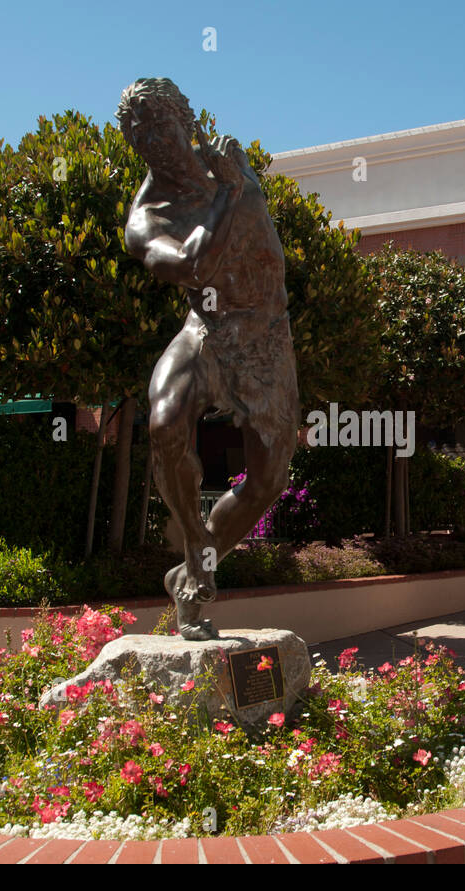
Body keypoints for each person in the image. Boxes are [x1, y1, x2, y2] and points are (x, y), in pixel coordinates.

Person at [119, 78, 299, 640]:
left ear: (186, 120)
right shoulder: (146, 218)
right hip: (208, 328)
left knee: (268, 480)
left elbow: (270, 261)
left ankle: (200, 563)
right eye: (137, 133)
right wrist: (226, 197)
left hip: (267, 338)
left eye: (158, 124)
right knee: (164, 421)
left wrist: (234, 187)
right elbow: (190, 269)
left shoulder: (233, 167)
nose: (151, 141)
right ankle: (196, 550)